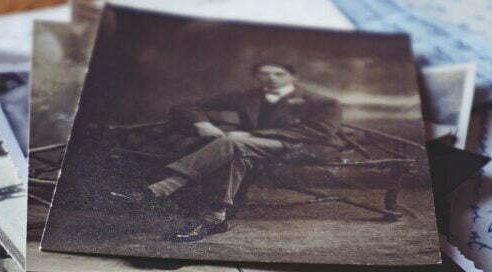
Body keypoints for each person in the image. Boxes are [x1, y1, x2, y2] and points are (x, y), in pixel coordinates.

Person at [115, 62, 344, 242]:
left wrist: (257, 136)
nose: (270, 78)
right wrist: (202, 124)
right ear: (257, 76)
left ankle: (160, 189)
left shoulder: (321, 101)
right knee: (236, 152)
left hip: (302, 148)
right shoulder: (248, 96)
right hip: (249, 147)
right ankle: (215, 218)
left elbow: (320, 131)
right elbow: (186, 106)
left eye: (278, 74)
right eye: (264, 74)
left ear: (292, 77)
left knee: (234, 143)